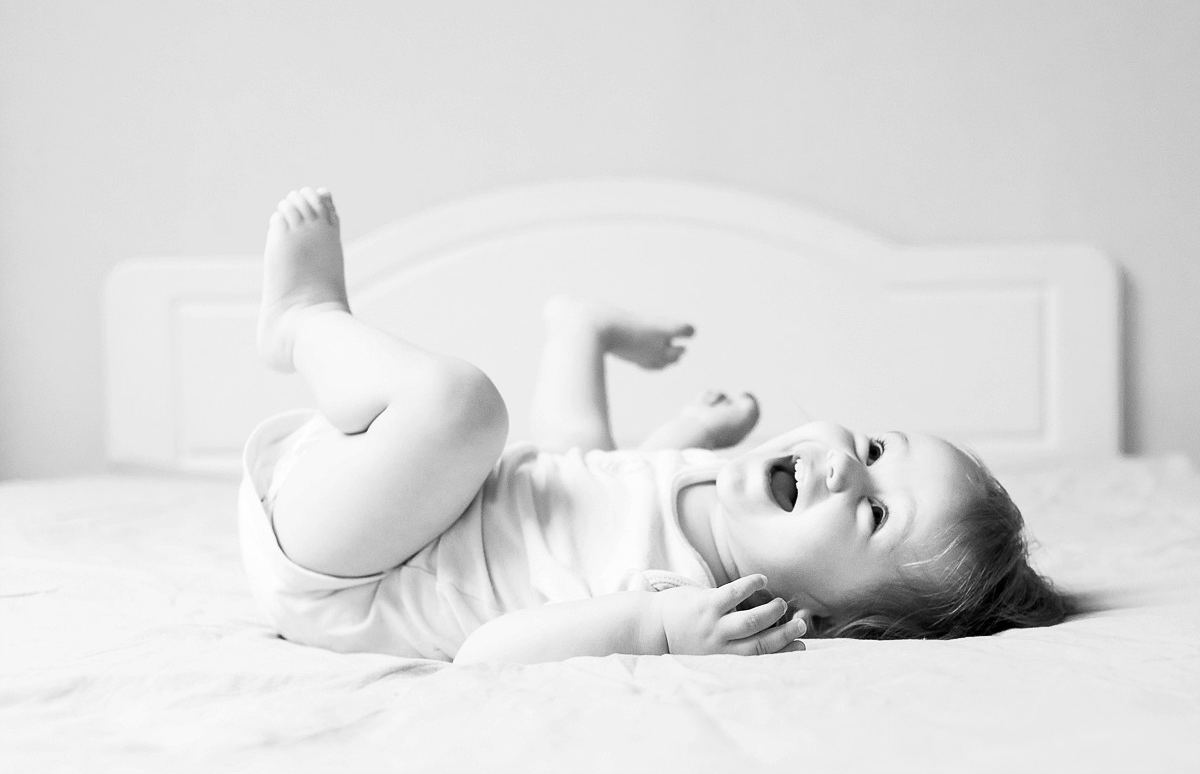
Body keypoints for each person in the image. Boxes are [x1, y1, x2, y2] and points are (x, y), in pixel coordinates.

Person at [239, 187, 1070, 665]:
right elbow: (604, 489)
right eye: (882, 449)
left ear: (827, 619)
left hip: (347, 568)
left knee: (468, 409)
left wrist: (658, 633)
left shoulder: (686, 599)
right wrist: (683, 438)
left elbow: (488, 654)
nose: (853, 465)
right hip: (399, 488)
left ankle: (305, 320)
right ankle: (579, 329)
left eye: (879, 514)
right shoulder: (705, 490)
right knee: (571, 464)